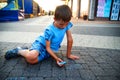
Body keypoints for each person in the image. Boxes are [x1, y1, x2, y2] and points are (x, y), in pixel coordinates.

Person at [5, 5, 79, 67]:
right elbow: (47, 47)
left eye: (66, 24)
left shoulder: (66, 24)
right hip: (41, 44)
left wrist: (68, 55)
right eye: (61, 24)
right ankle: (19, 51)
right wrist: (56, 58)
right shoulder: (49, 30)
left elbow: (70, 40)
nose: (64, 26)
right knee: (32, 56)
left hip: (49, 50)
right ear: (54, 19)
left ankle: (26, 51)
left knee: (31, 61)